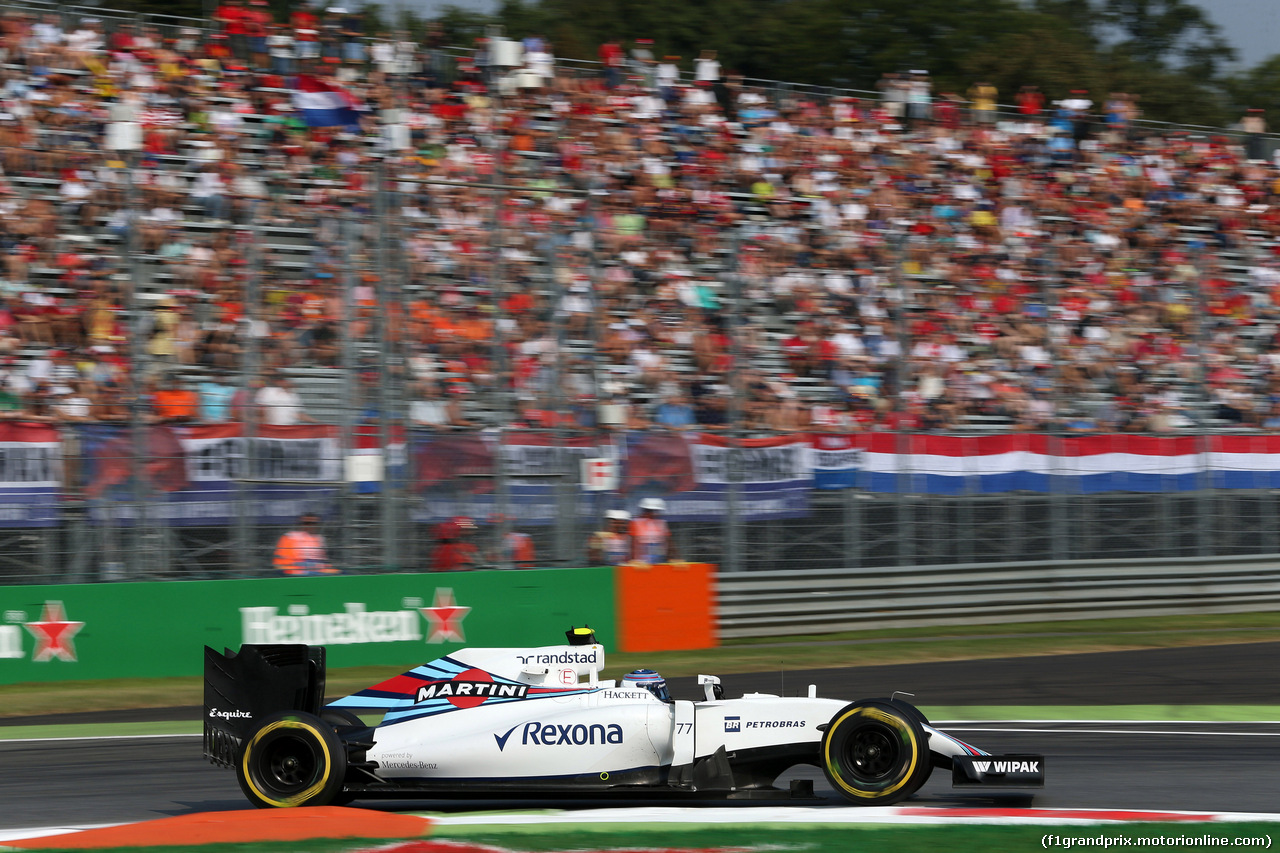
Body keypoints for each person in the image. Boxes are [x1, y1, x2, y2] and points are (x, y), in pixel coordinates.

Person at [631, 498, 673, 564]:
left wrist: (672, 558)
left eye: (657, 511)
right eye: (651, 511)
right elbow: (632, 544)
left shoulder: (661, 523)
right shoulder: (636, 523)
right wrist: (634, 559)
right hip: (641, 563)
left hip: (659, 561)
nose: (655, 514)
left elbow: (668, 542)